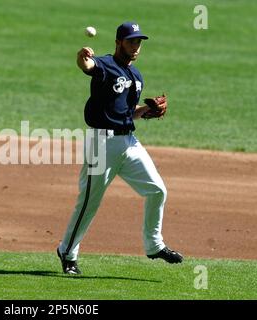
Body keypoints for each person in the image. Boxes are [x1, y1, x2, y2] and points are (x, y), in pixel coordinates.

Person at [57, 21, 183, 275]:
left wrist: (148, 111)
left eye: (138, 42)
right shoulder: (105, 64)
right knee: (89, 202)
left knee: (157, 190)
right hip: (101, 143)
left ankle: (154, 245)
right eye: (131, 41)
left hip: (128, 142)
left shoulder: (137, 77)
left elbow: (126, 113)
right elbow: (88, 66)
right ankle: (67, 252)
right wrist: (82, 57)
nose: (135, 46)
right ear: (118, 43)